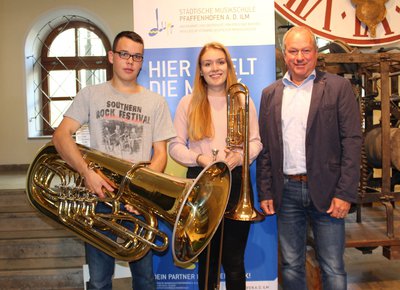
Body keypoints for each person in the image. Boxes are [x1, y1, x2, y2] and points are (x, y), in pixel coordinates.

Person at [52, 31, 176, 290]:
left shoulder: (156, 102)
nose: (130, 61)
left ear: (142, 62)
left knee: (145, 279)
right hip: (99, 198)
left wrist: (140, 191)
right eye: (124, 54)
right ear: (112, 57)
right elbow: (61, 135)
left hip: (136, 203)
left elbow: (161, 154)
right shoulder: (90, 94)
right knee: (98, 281)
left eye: (137, 56)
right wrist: (87, 173)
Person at [256, 26, 362, 290]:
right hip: (286, 192)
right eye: (293, 51)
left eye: (305, 50)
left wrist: (345, 193)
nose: (299, 57)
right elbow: (266, 149)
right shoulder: (270, 94)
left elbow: (352, 142)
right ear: (283, 55)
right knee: (291, 265)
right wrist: (266, 191)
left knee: (333, 267)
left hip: (328, 192)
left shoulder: (338, 87)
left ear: (315, 54)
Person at [169, 42, 262, 290]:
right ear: (200, 70)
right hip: (201, 184)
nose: (214, 68)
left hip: (236, 183)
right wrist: (199, 159)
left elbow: (256, 143)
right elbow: (175, 146)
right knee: (206, 261)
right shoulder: (187, 103)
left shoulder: (243, 100)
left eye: (220, 62)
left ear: (228, 66)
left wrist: (239, 157)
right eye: (207, 63)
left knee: (233, 261)